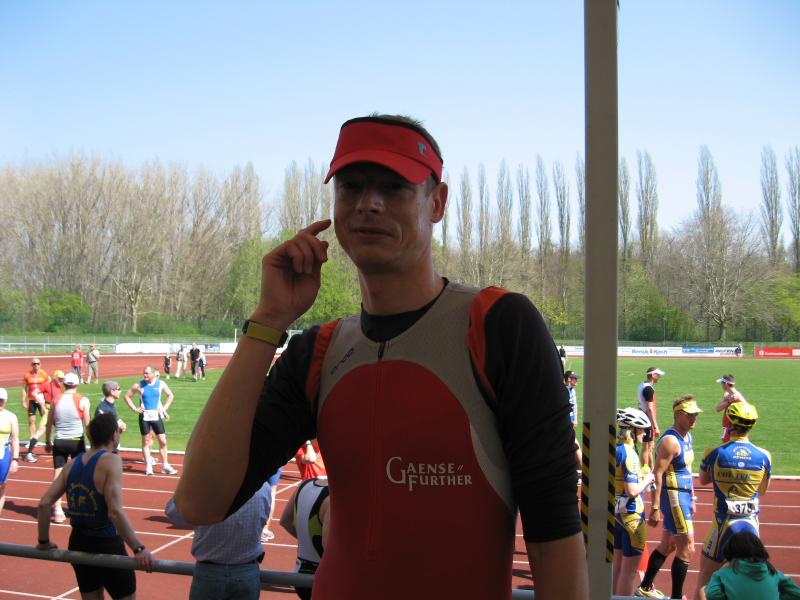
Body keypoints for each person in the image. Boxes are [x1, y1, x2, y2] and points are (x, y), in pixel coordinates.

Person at [176, 114, 587, 600]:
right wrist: (268, 320)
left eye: (394, 187)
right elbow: (200, 502)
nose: (368, 203)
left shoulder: (498, 326)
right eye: (351, 186)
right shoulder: (317, 352)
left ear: (437, 202)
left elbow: (554, 530)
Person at [36, 412, 154, 598]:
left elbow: (44, 504)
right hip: (107, 544)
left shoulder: (71, 464)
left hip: (78, 543)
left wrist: (44, 542)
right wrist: (139, 548)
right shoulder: (111, 460)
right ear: (114, 435)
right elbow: (115, 512)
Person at [693, 402, 772, 600]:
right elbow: (762, 490)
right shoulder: (764, 456)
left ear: (729, 423)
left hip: (722, 525)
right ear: (752, 425)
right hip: (750, 525)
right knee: (750, 582)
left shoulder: (713, 453)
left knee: (706, 580)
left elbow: (703, 480)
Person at [637, 395, 702, 599]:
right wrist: (655, 507)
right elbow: (657, 474)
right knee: (687, 548)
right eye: (690, 415)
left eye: (695, 415)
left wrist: (692, 495)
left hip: (683, 496)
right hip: (673, 497)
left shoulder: (687, 438)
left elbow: (688, 468)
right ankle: (676, 596)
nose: (694, 418)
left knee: (669, 545)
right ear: (678, 415)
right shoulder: (670, 441)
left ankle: (645, 587)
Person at [164, 481, 272, 600]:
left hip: (209, 572)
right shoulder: (263, 487)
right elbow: (263, 519)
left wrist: (188, 481)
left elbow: (173, 513)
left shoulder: (203, 486)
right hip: (247, 571)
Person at [613, 408, 656, 597]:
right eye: (642, 430)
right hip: (632, 515)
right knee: (629, 572)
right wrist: (647, 480)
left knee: (617, 568)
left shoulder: (616, 449)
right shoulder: (629, 454)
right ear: (633, 429)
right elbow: (631, 490)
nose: (645, 434)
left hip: (616, 515)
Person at [45, 372, 91, 523]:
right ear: (77, 384)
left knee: (58, 475)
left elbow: (49, 423)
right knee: (79, 475)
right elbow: (88, 425)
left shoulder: (55, 400)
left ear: (64, 384)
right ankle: (77, 507)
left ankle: (57, 509)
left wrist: (47, 441)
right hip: (76, 441)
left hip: (60, 441)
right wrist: (93, 444)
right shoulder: (82, 400)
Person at [700, 532, 800, 600]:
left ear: (730, 552)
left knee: (703, 590)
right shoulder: (774, 573)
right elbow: (796, 594)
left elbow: (712, 595)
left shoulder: (722, 574)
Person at [280, 476, 331, 600]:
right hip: (321, 578)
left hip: (299, 573)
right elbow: (329, 548)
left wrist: (306, 541)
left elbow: (285, 521)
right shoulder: (333, 498)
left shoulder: (304, 484)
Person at [123, 366, 177, 476]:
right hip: (145, 417)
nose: (144, 375)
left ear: (153, 374)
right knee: (146, 440)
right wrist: (134, 408)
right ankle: (148, 466)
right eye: (144, 373)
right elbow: (127, 396)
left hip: (156, 416)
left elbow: (170, 395)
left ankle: (165, 465)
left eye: (147, 373)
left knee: (163, 441)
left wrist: (164, 409)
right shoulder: (138, 385)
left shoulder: (161, 384)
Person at [21, 357, 50, 462]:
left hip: (42, 401)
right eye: (34, 364)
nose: (36, 365)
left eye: (37, 363)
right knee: (31, 421)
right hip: (31, 400)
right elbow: (24, 389)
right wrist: (23, 401)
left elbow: (48, 387)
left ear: (40, 364)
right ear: (31, 365)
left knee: (46, 421)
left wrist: (47, 400)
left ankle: (47, 440)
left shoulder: (44, 374)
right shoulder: (27, 375)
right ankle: (32, 440)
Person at [637, 367, 665, 470]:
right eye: (658, 375)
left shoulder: (642, 384)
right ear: (653, 375)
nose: (659, 377)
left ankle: (651, 468)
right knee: (646, 447)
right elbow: (649, 408)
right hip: (647, 420)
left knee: (649, 447)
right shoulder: (649, 389)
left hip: (643, 417)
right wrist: (655, 426)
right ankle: (645, 470)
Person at [0, 387, 21, 516]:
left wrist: (15, 460)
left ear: (5, 400)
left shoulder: (11, 417)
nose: (0, 402)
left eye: (1, 400)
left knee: (2, 485)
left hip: (3, 454)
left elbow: (15, 439)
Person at [715, 374, 745, 443]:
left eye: (722, 383)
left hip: (734, 429)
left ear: (726, 384)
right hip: (727, 428)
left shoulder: (737, 396)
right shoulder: (727, 395)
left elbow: (747, 409)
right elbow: (718, 408)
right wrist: (729, 401)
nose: (721, 385)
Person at [564, 370, 582, 473]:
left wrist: (575, 419)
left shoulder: (572, 390)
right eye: (575, 378)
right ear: (569, 379)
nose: (576, 381)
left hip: (569, 425)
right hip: (564, 425)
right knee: (576, 450)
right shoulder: (563, 391)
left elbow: (575, 406)